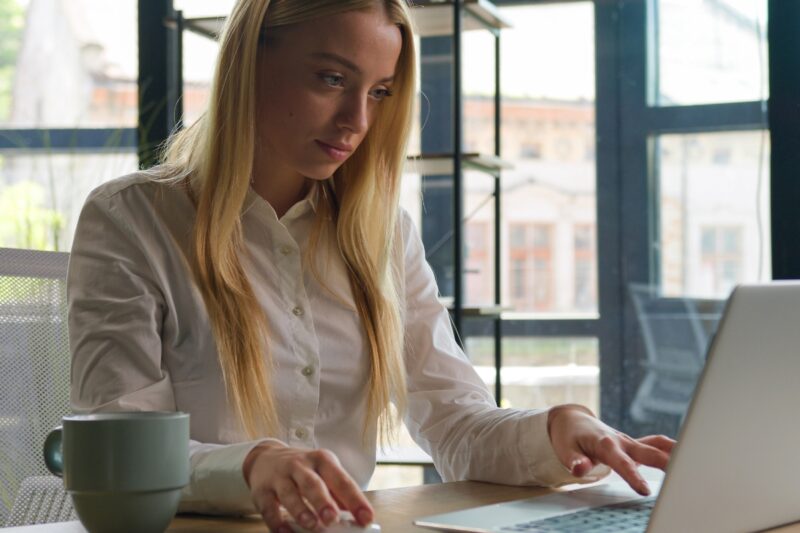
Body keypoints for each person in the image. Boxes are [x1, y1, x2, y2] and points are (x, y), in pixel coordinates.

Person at [67, 1, 674, 532]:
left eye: (380, 92)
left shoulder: (382, 237)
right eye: (332, 78)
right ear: (248, 63)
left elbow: (456, 424)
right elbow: (120, 450)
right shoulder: (131, 220)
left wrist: (555, 430)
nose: (357, 121)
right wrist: (252, 466)